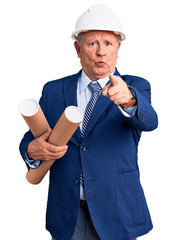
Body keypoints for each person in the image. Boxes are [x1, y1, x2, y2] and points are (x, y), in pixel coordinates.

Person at [19, 4, 158, 240]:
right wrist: (31, 150)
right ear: (78, 47)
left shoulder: (135, 86)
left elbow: (150, 121)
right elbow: (30, 138)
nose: (101, 52)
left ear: (118, 48)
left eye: (108, 43)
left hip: (116, 211)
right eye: (93, 43)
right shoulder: (54, 90)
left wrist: (129, 100)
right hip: (67, 213)